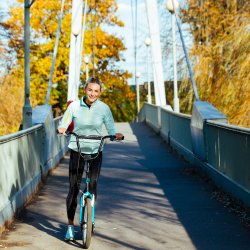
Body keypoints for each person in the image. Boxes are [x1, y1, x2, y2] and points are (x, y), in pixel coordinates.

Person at [58, 77, 124, 241]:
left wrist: (115, 135)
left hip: (96, 149)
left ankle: (90, 216)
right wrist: (62, 128)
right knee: (74, 188)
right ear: (85, 90)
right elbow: (64, 122)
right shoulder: (74, 106)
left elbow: (110, 127)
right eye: (90, 90)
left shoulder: (104, 108)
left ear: (99, 92)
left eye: (96, 91)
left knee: (92, 184)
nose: (92, 93)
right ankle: (70, 227)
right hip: (77, 148)